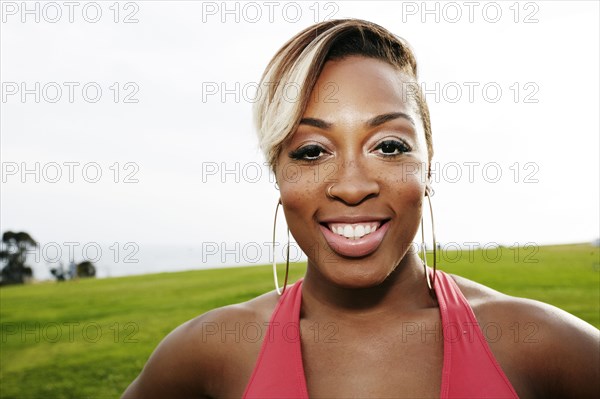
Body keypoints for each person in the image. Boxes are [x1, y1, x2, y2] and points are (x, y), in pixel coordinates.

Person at [122, 19, 599, 398]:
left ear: (428, 167)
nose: (351, 187)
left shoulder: (536, 343)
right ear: (278, 174)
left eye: (389, 146)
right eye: (311, 151)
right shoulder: (210, 351)